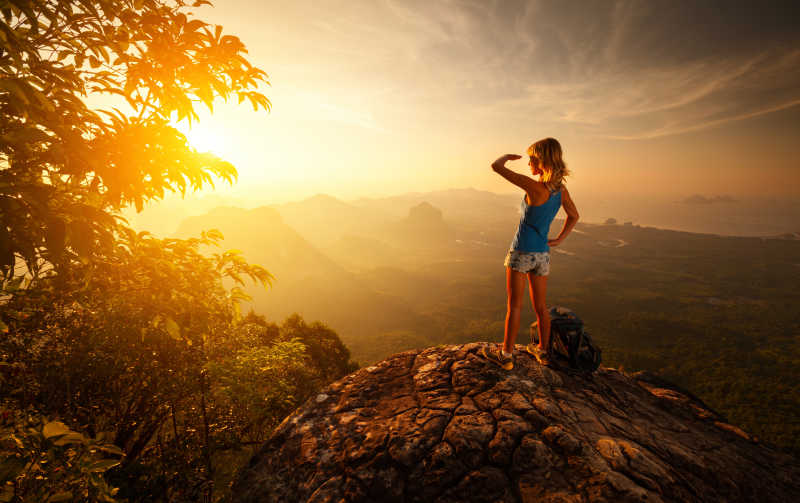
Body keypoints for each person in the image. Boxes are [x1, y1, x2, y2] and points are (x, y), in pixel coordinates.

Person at [482, 137, 579, 370]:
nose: (528, 164)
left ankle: (505, 356)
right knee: (541, 308)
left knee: (514, 306)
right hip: (542, 255)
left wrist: (507, 157)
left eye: (532, 159)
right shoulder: (561, 191)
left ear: (542, 160)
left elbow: (496, 167)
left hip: (521, 251)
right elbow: (574, 215)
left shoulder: (534, 187)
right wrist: (559, 239)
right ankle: (543, 352)